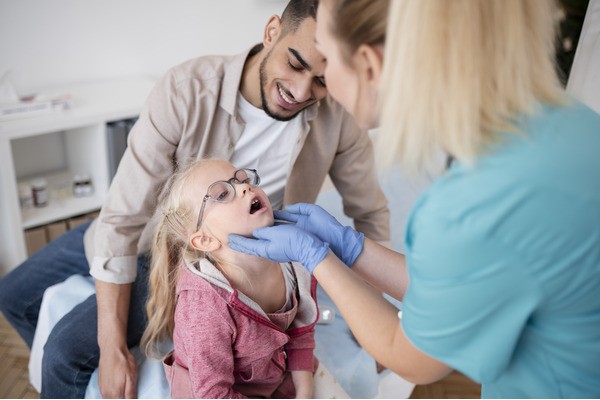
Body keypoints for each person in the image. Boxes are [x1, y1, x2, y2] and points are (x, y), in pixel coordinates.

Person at [0, 0, 390, 397]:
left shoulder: (337, 117)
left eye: (322, 80)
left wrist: (378, 324)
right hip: (147, 225)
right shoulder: (186, 90)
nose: (302, 91)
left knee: (65, 354)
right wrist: (111, 346)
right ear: (272, 31)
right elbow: (122, 216)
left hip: (190, 252)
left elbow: (370, 212)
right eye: (295, 64)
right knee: (13, 295)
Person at [228, 0, 600, 397]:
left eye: (327, 58)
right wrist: (349, 248)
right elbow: (456, 284)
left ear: (369, 65)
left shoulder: (471, 207)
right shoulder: (570, 123)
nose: (321, 81)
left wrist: (318, 258)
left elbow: (412, 356)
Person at [140, 159, 319, 398]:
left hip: (272, 377)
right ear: (205, 240)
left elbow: (301, 331)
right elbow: (214, 394)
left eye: (242, 179)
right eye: (222, 194)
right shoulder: (205, 307)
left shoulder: (293, 263)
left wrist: (304, 393)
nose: (245, 188)